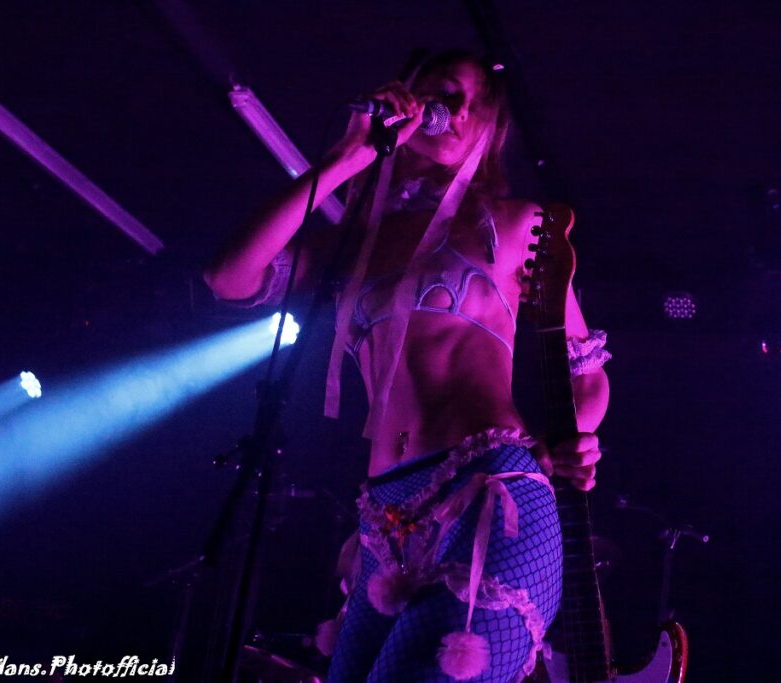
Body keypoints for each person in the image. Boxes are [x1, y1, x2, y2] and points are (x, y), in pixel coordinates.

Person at [204, 50, 610, 682]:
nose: (460, 111)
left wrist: (571, 439)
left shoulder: (514, 225)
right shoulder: (349, 245)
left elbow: (585, 370)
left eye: (476, 106)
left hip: (489, 491)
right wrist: (346, 158)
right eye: (446, 93)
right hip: (383, 519)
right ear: (409, 99)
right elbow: (228, 278)